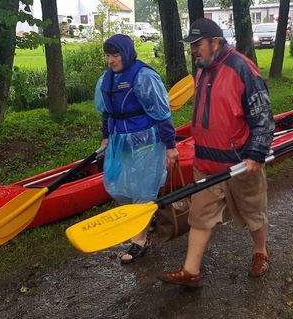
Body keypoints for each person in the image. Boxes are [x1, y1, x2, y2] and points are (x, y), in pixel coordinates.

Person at [158, 18, 275, 288]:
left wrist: (256, 153)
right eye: (191, 46)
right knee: (199, 217)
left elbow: (263, 116)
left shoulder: (242, 68)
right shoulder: (202, 70)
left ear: (216, 42)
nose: (193, 51)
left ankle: (260, 252)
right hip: (205, 163)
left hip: (239, 163)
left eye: (197, 45)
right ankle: (191, 271)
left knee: (254, 214)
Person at [95, 34, 179, 263]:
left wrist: (170, 146)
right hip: (118, 141)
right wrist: (105, 137)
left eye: (116, 55)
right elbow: (107, 111)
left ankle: (139, 239)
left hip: (146, 141)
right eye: (108, 56)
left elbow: (161, 114)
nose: (111, 60)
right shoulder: (106, 79)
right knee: (119, 188)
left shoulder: (144, 77)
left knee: (143, 190)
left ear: (127, 54)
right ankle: (143, 220)